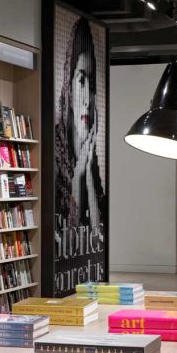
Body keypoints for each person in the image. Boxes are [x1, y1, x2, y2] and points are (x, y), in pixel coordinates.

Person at [55, 16, 104, 228]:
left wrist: (86, 171)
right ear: (68, 84)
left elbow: (96, 233)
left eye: (91, 85)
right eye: (81, 80)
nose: (87, 99)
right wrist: (79, 175)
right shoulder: (55, 153)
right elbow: (69, 228)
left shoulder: (90, 157)